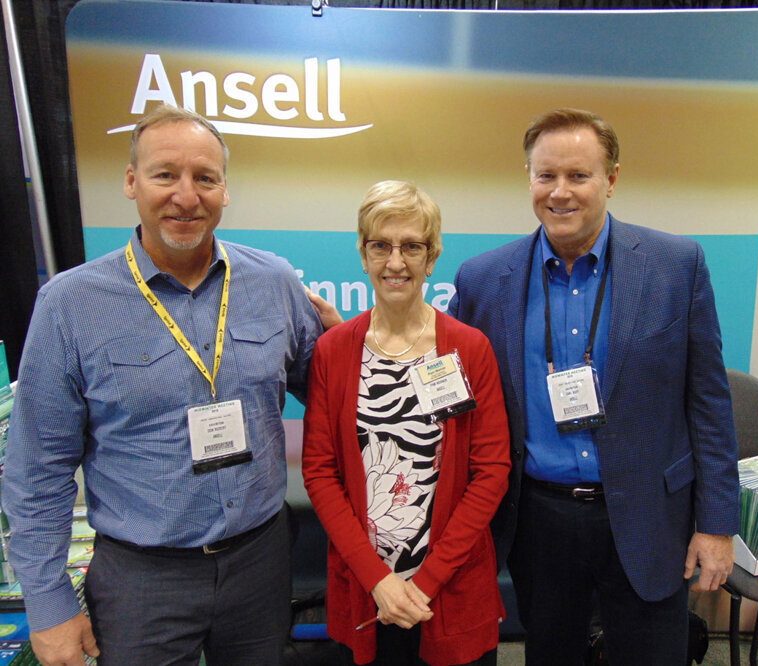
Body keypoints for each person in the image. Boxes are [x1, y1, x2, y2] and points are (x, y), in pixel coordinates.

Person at [2, 104, 328, 666]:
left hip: (261, 560)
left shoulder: (274, 282)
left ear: (225, 190)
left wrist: (371, 341)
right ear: (131, 181)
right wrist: (49, 603)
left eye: (205, 177)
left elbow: (330, 390)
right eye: (164, 175)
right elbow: (39, 468)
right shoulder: (69, 305)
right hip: (141, 580)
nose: (186, 195)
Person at [447, 108, 740, 665]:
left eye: (578, 176)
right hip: (538, 520)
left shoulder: (676, 266)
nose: (560, 193)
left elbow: (709, 404)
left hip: (650, 515)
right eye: (545, 176)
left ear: (612, 179)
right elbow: (435, 358)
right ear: (529, 179)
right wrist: (358, 335)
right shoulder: (484, 279)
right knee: (552, 654)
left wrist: (718, 525)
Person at [302, 180, 511, 666]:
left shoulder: (469, 347)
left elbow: (492, 470)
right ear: (363, 252)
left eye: (411, 247)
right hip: (365, 587)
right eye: (381, 246)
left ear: (432, 256)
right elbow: (319, 471)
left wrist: (427, 580)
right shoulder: (333, 352)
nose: (396, 263)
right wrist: (379, 580)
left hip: (451, 587)